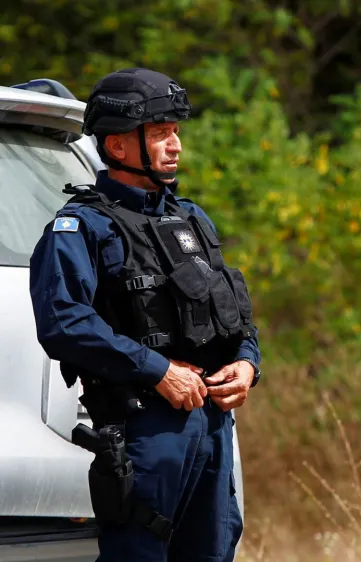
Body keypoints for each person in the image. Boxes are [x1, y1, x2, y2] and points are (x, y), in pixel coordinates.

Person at [28, 68, 261, 562]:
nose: (174, 145)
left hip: (214, 426)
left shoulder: (192, 218)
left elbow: (233, 312)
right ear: (117, 146)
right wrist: (158, 372)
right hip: (144, 432)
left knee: (215, 552)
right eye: (159, 134)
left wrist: (247, 364)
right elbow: (64, 323)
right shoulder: (79, 228)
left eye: (176, 132)